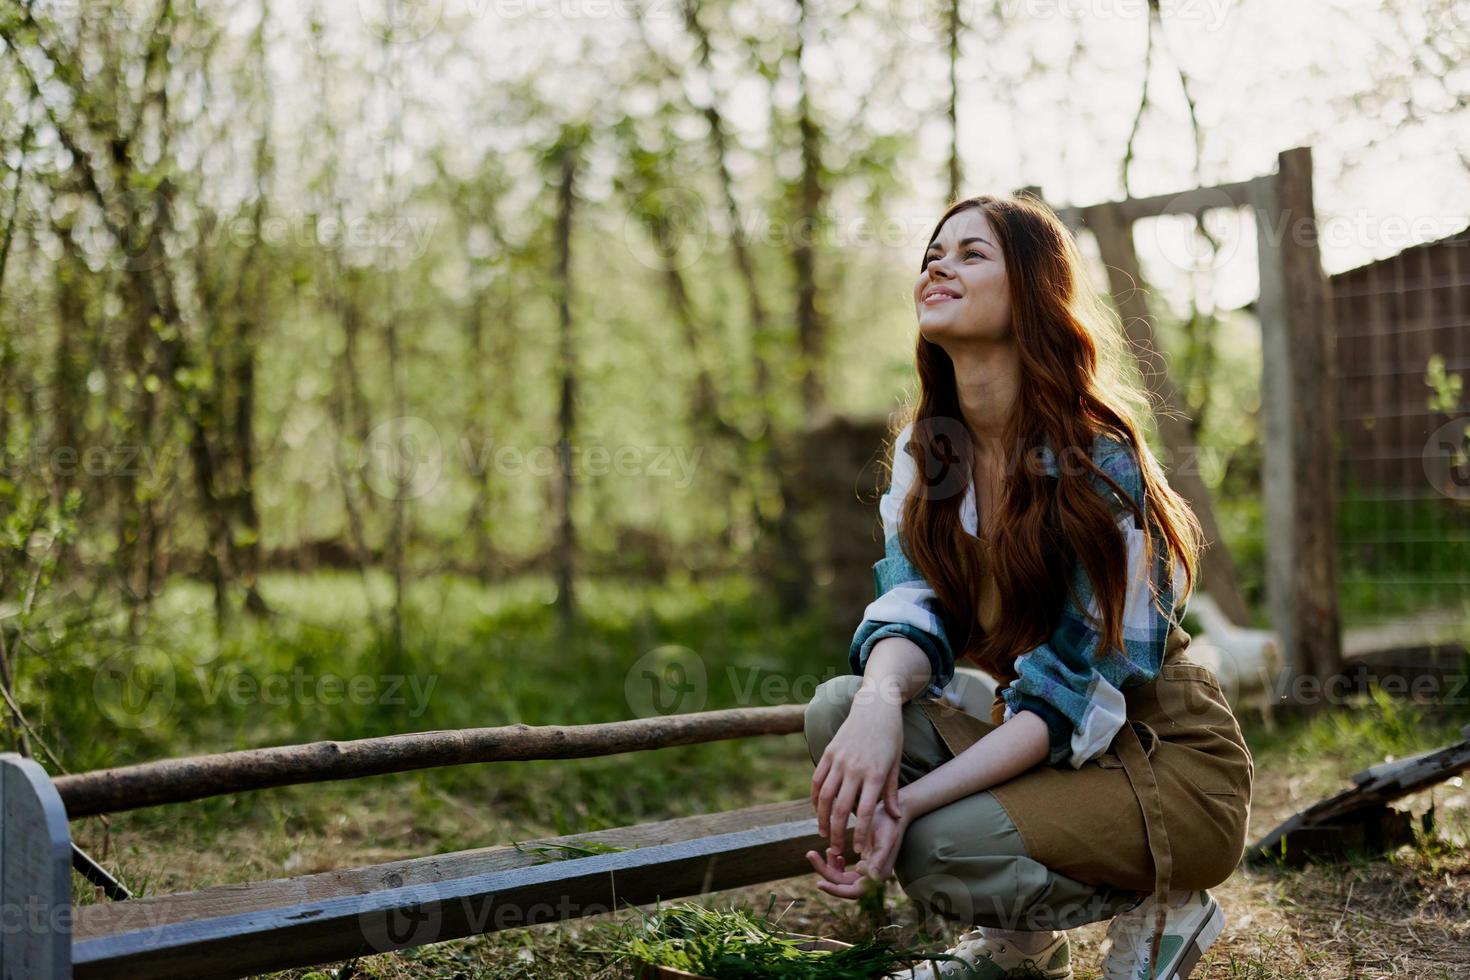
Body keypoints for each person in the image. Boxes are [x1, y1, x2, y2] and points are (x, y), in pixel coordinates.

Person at [802, 193, 1253, 980]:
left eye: (972, 254)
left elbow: (1060, 704)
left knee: (938, 849)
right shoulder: (930, 454)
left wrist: (903, 806)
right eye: (933, 253)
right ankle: (1024, 948)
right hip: (1051, 751)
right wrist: (877, 710)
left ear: (1035, 295)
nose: (938, 263)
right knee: (841, 708)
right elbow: (914, 613)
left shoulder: (1098, 463)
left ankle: (1168, 906)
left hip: (1163, 765)